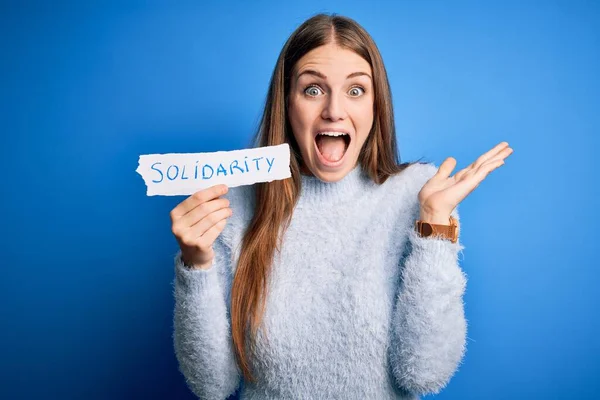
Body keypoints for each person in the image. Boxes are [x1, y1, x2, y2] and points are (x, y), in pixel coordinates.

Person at [169, 13, 513, 400]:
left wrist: (434, 227)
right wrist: (196, 266)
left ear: (375, 106)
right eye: (313, 90)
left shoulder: (418, 196)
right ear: (287, 103)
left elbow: (425, 373)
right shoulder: (232, 205)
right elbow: (212, 386)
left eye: (355, 90)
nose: (334, 110)